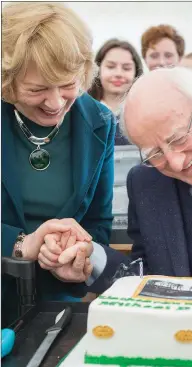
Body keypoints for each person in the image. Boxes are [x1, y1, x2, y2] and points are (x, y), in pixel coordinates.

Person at [52, 67, 192, 286]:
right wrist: (91, 259)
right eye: (155, 154)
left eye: (179, 139)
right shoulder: (145, 182)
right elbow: (147, 276)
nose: (176, 163)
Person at [2, 1, 116, 328]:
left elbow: (97, 221)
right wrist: (21, 244)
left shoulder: (100, 121)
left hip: (56, 305)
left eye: (68, 84)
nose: (55, 104)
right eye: (37, 89)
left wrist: (79, 254)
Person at [89, 38, 143, 145]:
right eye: (111, 66)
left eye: (126, 68)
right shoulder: (82, 111)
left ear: (136, 73)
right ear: (98, 69)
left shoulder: (145, 113)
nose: (118, 73)